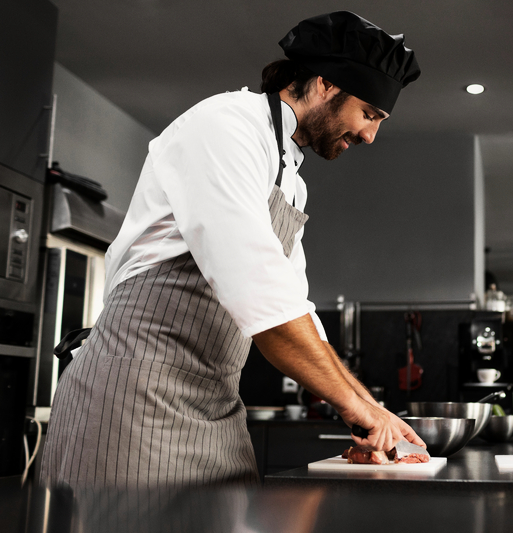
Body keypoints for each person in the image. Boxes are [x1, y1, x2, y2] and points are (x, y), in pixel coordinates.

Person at [40, 11, 423, 488]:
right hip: (134, 397)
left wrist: (371, 408)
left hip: (215, 405)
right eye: (369, 114)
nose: (369, 135)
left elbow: (294, 305)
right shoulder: (226, 125)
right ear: (326, 84)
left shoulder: (292, 183)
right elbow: (259, 291)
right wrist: (352, 405)